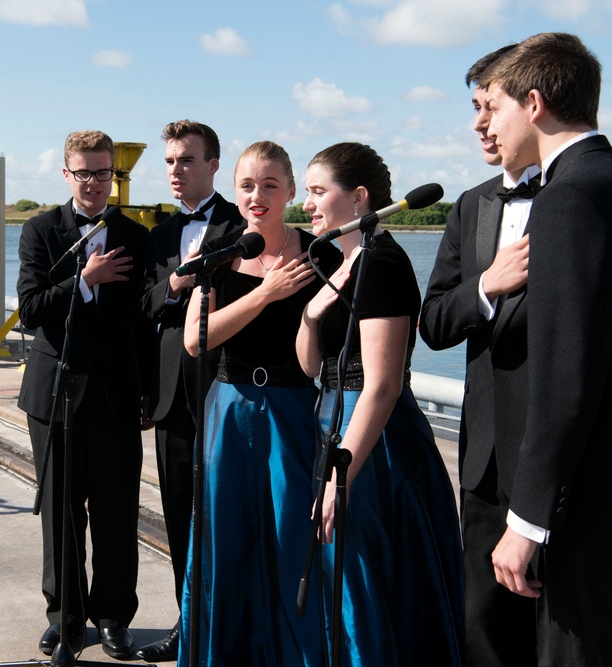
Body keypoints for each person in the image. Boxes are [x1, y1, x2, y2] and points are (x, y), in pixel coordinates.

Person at [476, 32, 612, 665]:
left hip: (591, 515)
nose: (487, 124)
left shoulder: (567, 199)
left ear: (534, 103)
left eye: (494, 107)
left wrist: (525, 523)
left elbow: (565, 376)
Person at [296, 143, 465, 665]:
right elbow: (310, 368)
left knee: (370, 582)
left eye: (318, 191)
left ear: (360, 197)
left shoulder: (384, 263)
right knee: (339, 580)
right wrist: (308, 314)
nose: (306, 204)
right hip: (334, 425)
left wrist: (339, 478)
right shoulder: (337, 259)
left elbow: (383, 385)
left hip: (374, 444)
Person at [418, 45, 544, 667]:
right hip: (488, 464)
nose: (477, 124)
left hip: (567, 468)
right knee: (486, 633)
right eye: (474, 108)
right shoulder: (471, 206)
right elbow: (435, 323)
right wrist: (486, 287)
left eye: (486, 107)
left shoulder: (584, 196)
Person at [178, 140, 323, 666]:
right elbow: (197, 340)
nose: (257, 196)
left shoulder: (317, 251)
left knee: (291, 537)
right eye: (246, 185)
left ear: (289, 190)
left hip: (293, 410)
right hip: (231, 407)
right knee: (225, 537)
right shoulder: (218, 251)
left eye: (269, 185)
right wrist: (265, 293)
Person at [16, 129, 152, 659]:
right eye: (85, 172)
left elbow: (142, 323)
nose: (95, 183)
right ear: (66, 174)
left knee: (117, 511)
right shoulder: (39, 231)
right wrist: (85, 279)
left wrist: (147, 390)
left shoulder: (136, 236)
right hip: (56, 394)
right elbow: (30, 309)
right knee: (62, 512)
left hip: (116, 393)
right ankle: (66, 619)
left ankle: (114, 616)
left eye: (104, 173)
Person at [138, 119, 244, 661]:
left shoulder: (241, 224)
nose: (176, 171)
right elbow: (148, 304)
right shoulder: (159, 234)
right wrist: (178, 281)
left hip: (226, 386)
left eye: (186, 160)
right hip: (171, 395)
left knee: (226, 509)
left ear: (213, 165)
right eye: (170, 161)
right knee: (179, 511)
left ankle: (232, 620)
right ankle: (189, 621)